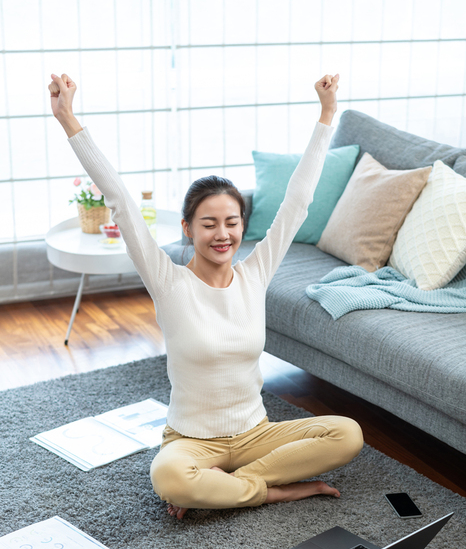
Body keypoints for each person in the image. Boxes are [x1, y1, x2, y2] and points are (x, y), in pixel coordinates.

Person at [49, 71, 363, 520]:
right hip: (191, 442)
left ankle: (228, 487)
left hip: (256, 435)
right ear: (188, 229)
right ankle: (273, 490)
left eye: (231, 222)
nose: (223, 234)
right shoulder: (169, 282)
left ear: (241, 225)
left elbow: (297, 202)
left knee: (347, 433)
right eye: (209, 223)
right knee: (168, 477)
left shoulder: (255, 273)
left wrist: (326, 115)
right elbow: (118, 198)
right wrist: (68, 120)